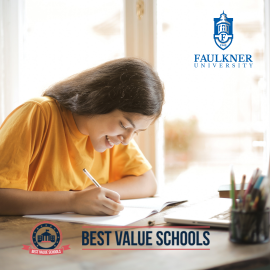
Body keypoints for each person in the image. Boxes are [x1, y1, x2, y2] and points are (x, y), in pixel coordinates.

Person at [0, 57, 164, 216]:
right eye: (124, 125)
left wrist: (90, 194)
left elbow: (148, 183)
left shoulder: (112, 137)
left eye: (135, 132)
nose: (127, 140)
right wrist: (73, 201)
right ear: (100, 100)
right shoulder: (37, 113)